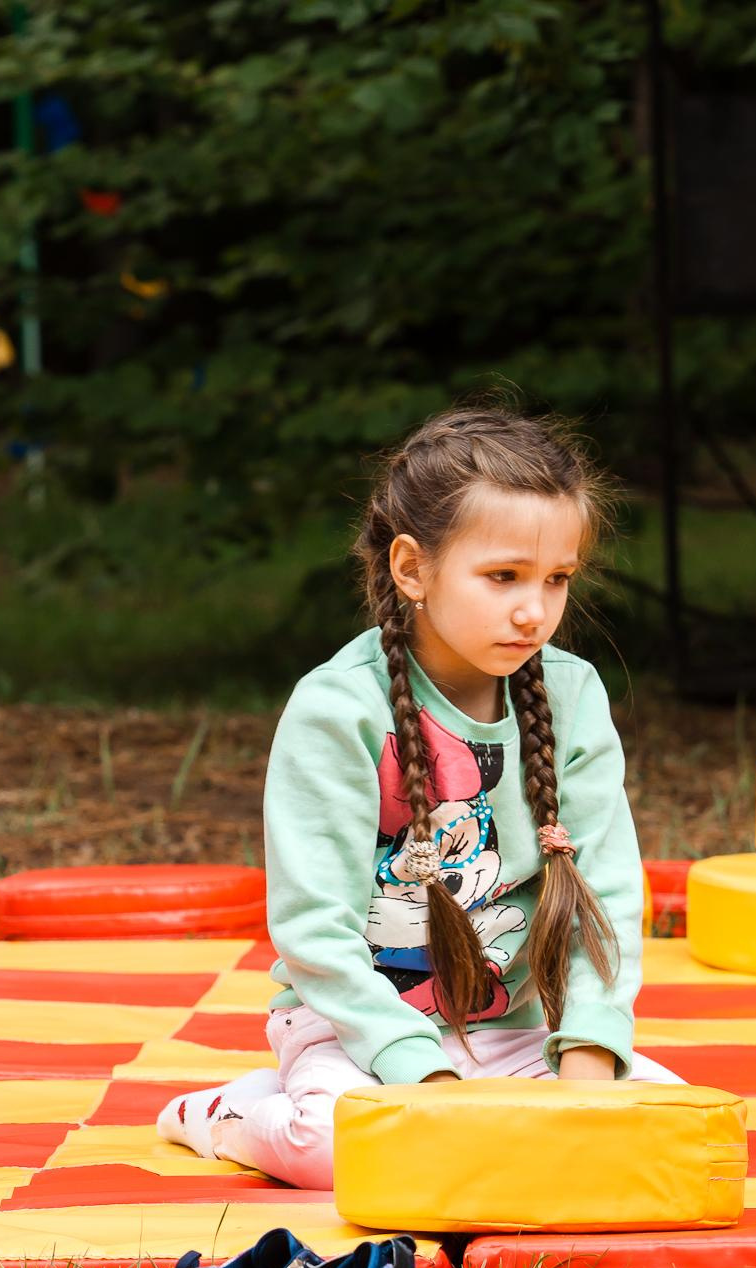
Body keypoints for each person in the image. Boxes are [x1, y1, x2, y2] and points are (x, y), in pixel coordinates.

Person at [155, 407, 680, 1190]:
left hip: (515, 1033)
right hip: (356, 1031)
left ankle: (482, 1113)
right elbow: (312, 929)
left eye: (557, 579)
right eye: (503, 576)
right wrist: (425, 1085)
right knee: (343, 1151)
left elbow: (604, 895)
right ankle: (237, 1113)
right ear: (412, 568)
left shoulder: (572, 693)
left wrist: (590, 1063)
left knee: (660, 1138)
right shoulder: (338, 708)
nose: (535, 609)